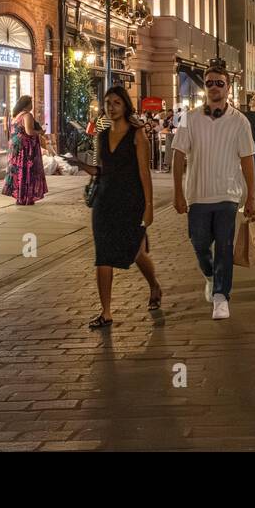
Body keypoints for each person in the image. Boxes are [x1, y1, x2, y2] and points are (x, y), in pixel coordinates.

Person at [173, 67, 255, 320]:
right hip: (197, 194)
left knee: (224, 245)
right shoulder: (189, 118)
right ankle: (210, 275)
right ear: (205, 87)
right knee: (199, 243)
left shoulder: (240, 121)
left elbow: (248, 160)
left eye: (219, 83)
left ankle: (221, 297)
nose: (214, 87)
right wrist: (177, 191)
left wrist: (251, 196)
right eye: (209, 83)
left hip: (227, 194)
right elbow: (178, 155)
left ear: (228, 87)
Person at [76, 86, 161, 328]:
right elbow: (102, 170)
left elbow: (144, 173)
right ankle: (106, 312)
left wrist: (149, 206)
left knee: (136, 252)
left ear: (125, 106)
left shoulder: (137, 134)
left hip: (131, 201)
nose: (111, 107)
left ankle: (154, 285)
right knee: (102, 255)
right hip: (104, 201)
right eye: (107, 103)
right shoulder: (101, 136)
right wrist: (82, 166)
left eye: (116, 103)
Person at [3, 95, 48, 206]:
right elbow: (29, 131)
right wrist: (40, 132)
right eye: (31, 103)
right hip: (25, 148)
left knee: (19, 171)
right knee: (27, 171)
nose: (32, 105)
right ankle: (26, 197)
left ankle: (20, 197)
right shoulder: (27, 115)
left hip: (16, 148)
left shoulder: (16, 115)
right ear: (27, 105)